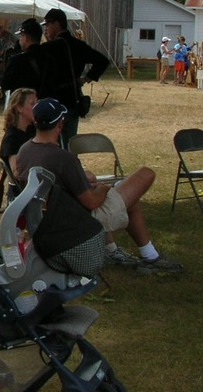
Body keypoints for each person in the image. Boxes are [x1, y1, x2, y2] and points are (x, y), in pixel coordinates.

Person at [15, 98, 183, 275]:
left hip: (47, 219)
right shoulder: (63, 158)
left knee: (130, 202)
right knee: (146, 173)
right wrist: (103, 188)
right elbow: (92, 202)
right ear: (60, 124)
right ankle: (149, 257)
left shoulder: (25, 151)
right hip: (77, 222)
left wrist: (84, 179)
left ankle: (123, 252)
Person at [41, 8, 110, 148]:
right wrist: (86, 78)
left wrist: (86, 78)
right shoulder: (78, 45)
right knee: (70, 145)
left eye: (48, 24)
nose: (46, 29)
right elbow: (102, 61)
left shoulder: (50, 47)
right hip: (72, 98)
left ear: (57, 24)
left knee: (52, 145)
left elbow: (103, 61)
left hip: (54, 100)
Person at [0, 18, 45, 96]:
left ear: (26, 38)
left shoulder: (16, 60)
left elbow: (5, 84)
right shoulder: (49, 57)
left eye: (21, 36)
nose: (19, 40)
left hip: (22, 104)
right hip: (43, 104)